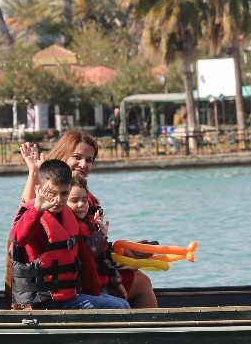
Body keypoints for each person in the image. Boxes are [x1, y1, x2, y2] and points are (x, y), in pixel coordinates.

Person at [19, 131, 159, 308]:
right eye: (77, 157)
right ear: (62, 155)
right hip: (64, 287)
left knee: (138, 277)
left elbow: (89, 245)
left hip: (86, 274)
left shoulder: (82, 194)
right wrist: (34, 172)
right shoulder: (50, 197)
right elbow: (29, 209)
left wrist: (125, 254)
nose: (83, 165)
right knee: (141, 282)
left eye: (89, 160)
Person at [9, 159, 130, 310]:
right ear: (39, 190)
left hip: (69, 296)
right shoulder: (33, 216)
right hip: (42, 302)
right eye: (51, 193)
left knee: (122, 303)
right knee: (118, 308)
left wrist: (95, 293)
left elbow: (85, 260)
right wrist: (37, 210)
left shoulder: (67, 216)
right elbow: (18, 238)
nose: (58, 200)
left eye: (64, 193)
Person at [68, 178, 126, 299]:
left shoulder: (88, 225)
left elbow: (103, 258)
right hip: (84, 290)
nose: (81, 204)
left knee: (123, 302)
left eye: (84, 200)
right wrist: (102, 234)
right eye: (74, 200)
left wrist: (117, 282)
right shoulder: (68, 227)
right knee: (121, 305)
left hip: (102, 285)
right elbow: (87, 255)